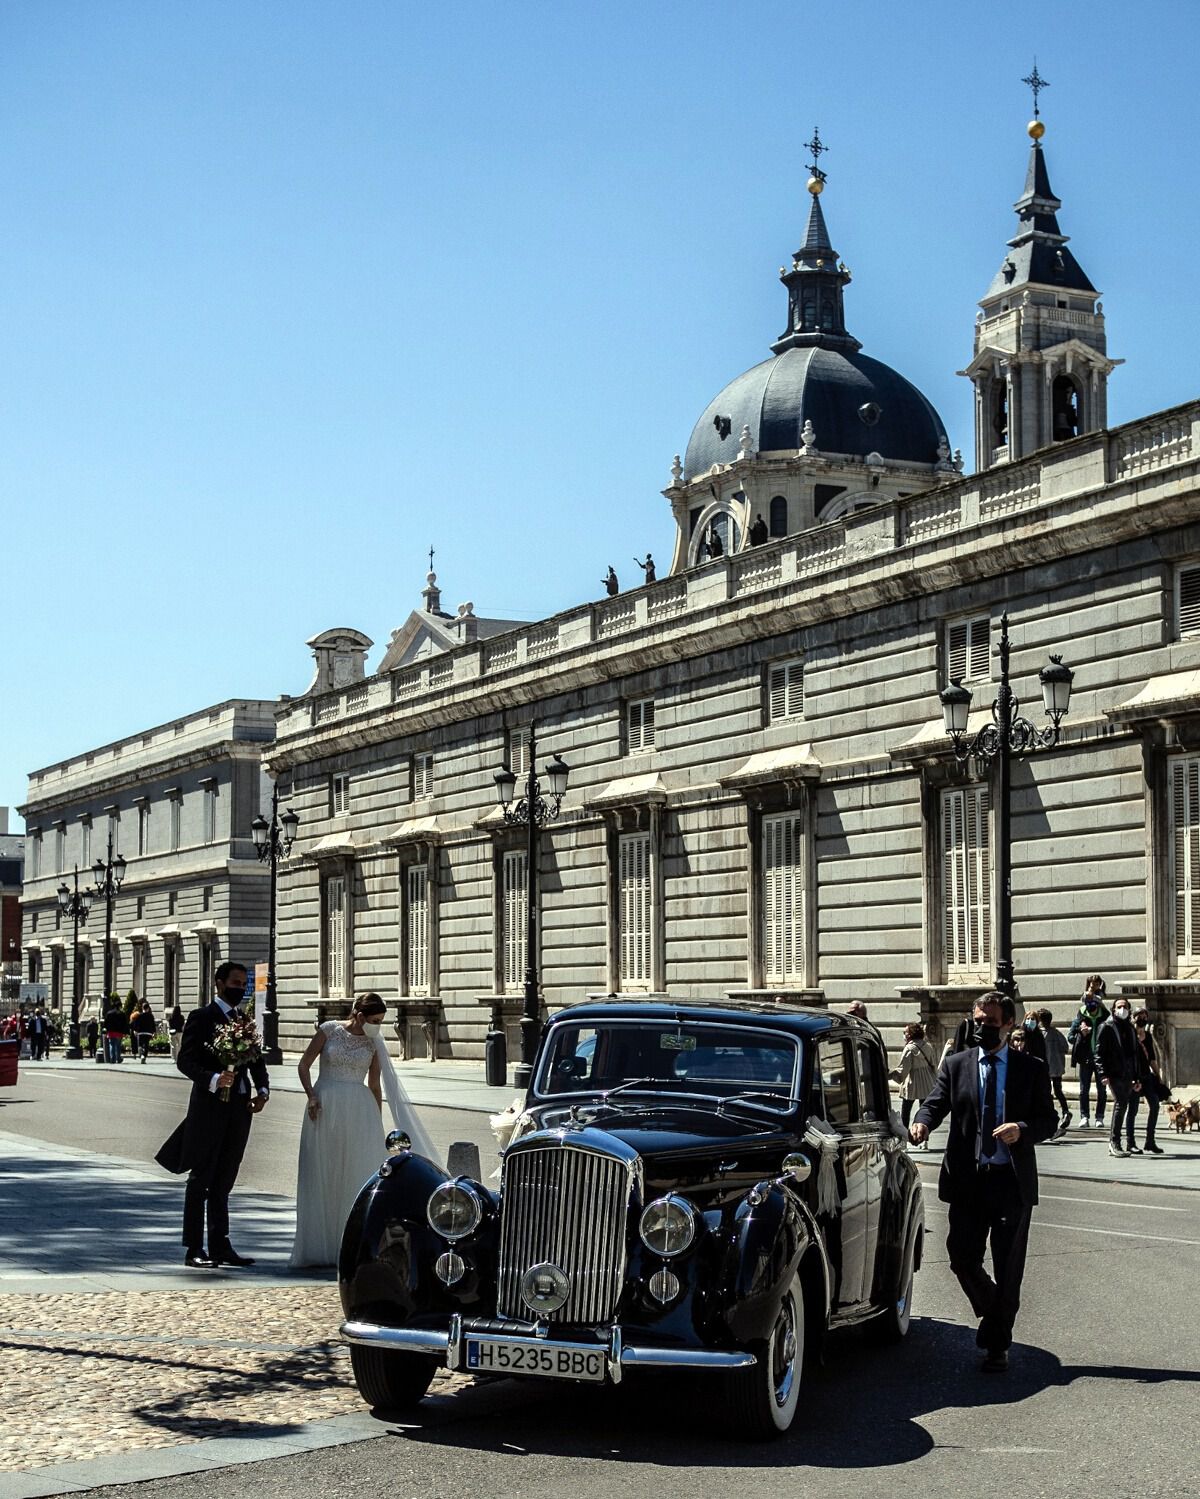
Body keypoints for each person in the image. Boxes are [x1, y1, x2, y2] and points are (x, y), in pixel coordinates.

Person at [909, 991, 1057, 1373]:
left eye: (990, 1023)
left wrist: (1021, 1129)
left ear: (1009, 1025)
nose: (981, 1027)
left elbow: (1048, 1121)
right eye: (977, 1020)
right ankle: (995, 1311)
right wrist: (922, 1122)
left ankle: (996, 1345)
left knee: (1009, 1268)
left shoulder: (1031, 1068)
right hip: (969, 1182)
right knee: (961, 1257)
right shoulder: (957, 1064)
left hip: (1011, 1183)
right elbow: (936, 1101)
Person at [289, 993, 437, 1268]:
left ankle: (351, 1244)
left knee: (354, 1172)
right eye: (374, 1020)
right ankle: (320, 1244)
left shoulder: (374, 1042)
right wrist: (311, 1095)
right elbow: (304, 1064)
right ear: (358, 1015)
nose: (377, 1026)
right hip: (326, 1103)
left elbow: (375, 1084)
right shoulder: (328, 1031)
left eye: (381, 1021)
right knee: (323, 1170)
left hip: (359, 1108)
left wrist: (375, 1118)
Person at [154, 962, 269, 1269]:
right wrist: (215, 1079)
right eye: (235, 982)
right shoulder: (201, 1017)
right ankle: (193, 1247)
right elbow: (185, 1061)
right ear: (219, 983)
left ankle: (220, 1244)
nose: (241, 988)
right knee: (201, 1179)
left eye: (244, 983)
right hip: (209, 1109)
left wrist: (263, 1090)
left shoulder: (244, 1019)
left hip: (240, 1108)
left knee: (225, 1179)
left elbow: (256, 1058)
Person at [1096, 996, 1142, 1158]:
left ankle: (1121, 1142)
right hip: (1114, 1073)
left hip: (1128, 1073)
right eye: (1119, 1007)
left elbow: (1134, 1054)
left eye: (1125, 1007)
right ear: (1113, 1009)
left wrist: (1136, 1077)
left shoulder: (1129, 1028)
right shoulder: (1107, 1027)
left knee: (1124, 1105)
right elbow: (1099, 1053)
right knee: (1121, 1104)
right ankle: (1114, 1142)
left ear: (1129, 1010)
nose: (1122, 1009)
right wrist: (1103, 1074)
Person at [1067, 977, 1108, 1128]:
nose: (1091, 1005)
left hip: (1101, 1059)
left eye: (1094, 1003)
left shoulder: (1104, 1016)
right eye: (1088, 1002)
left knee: (1101, 1090)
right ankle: (1084, 1116)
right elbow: (1070, 1037)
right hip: (1085, 1059)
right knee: (1084, 1090)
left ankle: (1100, 1117)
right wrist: (1081, 1034)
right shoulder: (1081, 1015)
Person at [1127, 1010, 1166, 1155]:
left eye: (1144, 1017)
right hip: (1133, 1077)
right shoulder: (1129, 1035)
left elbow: (1152, 1058)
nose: (1142, 1019)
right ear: (1133, 1018)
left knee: (1155, 1105)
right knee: (1133, 1110)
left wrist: (1158, 1075)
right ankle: (1130, 1143)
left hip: (1146, 1076)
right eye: (1139, 1016)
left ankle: (1150, 1141)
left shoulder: (1148, 1036)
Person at [895, 1023, 937, 1138]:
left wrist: (890, 1075)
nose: (904, 1035)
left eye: (905, 1032)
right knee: (924, 1112)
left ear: (909, 1035)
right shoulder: (928, 1046)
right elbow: (934, 1064)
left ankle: (904, 1138)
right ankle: (924, 1138)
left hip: (912, 1083)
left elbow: (903, 1069)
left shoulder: (909, 1049)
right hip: (927, 1082)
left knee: (906, 1111)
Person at [1038, 1009, 1072, 1135]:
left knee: (1049, 1092)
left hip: (1048, 1068)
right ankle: (1064, 1111)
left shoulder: (1042, 1034)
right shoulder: (1056, 1033)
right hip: (1055, 1067)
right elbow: (1065, 1047)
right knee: (1057, 1091)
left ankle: (1059, 1113)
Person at [102, 998, 128, 1064]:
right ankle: (118, 1058)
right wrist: (125, 1032)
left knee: (112, 1044)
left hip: (111, 1032)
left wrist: (105, 1030)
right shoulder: (122, 1014)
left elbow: (106, 1023)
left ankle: (112, 1058)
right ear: (120, 1006)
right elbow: (125, 1024)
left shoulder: (109, 1013)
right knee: (118, 1045)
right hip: (119, 1032)